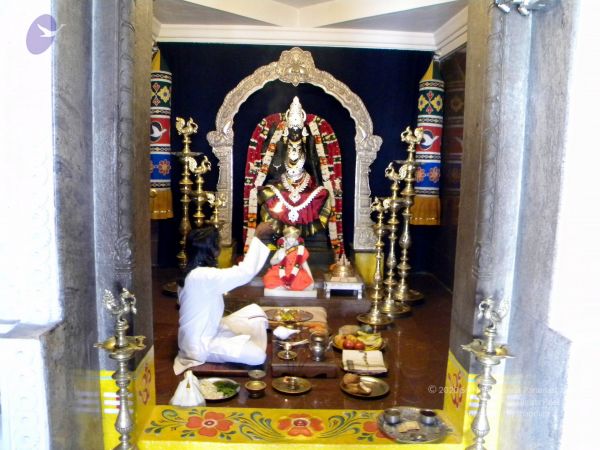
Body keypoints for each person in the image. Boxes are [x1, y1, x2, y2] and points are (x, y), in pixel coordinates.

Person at [173, 222, 274, 375]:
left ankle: (235, 341)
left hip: (210, 330)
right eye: (218, 243)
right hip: (200, 346)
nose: (220, 247)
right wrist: (257, 236)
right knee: (258, 356)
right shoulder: (202, 276)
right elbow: (244, 273)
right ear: (212, 250)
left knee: (255, 312)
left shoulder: (194, 273)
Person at [258, 97, 333, 237]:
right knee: (267, 193)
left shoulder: (309, 140)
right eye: (291, 128)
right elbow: (274, 167)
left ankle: (308, 232)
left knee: (323, 194)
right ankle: (278, 232)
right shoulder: (281, 141)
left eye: (297, 128)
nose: (294, 132)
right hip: (284, 182)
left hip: (305, 182)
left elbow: (315, 164)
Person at [262, 225, 314, 291]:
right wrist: (279, 259)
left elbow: (305, 265)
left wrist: (311, 279)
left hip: (295, 272)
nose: (291, 240)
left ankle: (288, 286)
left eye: (293, 238)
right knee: (270, 280)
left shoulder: (300, 250)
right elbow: (272, 262)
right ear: (286, 238)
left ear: (296, 239)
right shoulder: (281, 249)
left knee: (305, 282)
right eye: (289, 237)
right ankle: (284, 286)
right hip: (280, 271)